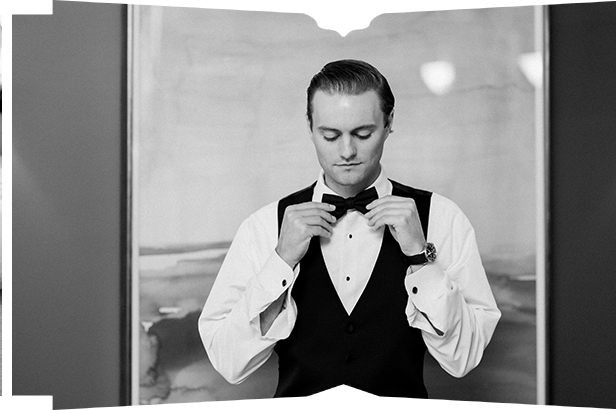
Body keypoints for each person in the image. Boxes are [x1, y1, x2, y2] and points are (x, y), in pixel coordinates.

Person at [197, 59, 501, 398]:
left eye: (362, 134)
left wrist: (420, 257)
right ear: (310, 127)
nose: (347, 152)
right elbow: (229, 363)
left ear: (389, 123)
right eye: (330, 135)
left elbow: (463, 359)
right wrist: (280, 261)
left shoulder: (442, 218)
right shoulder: (265, 226)